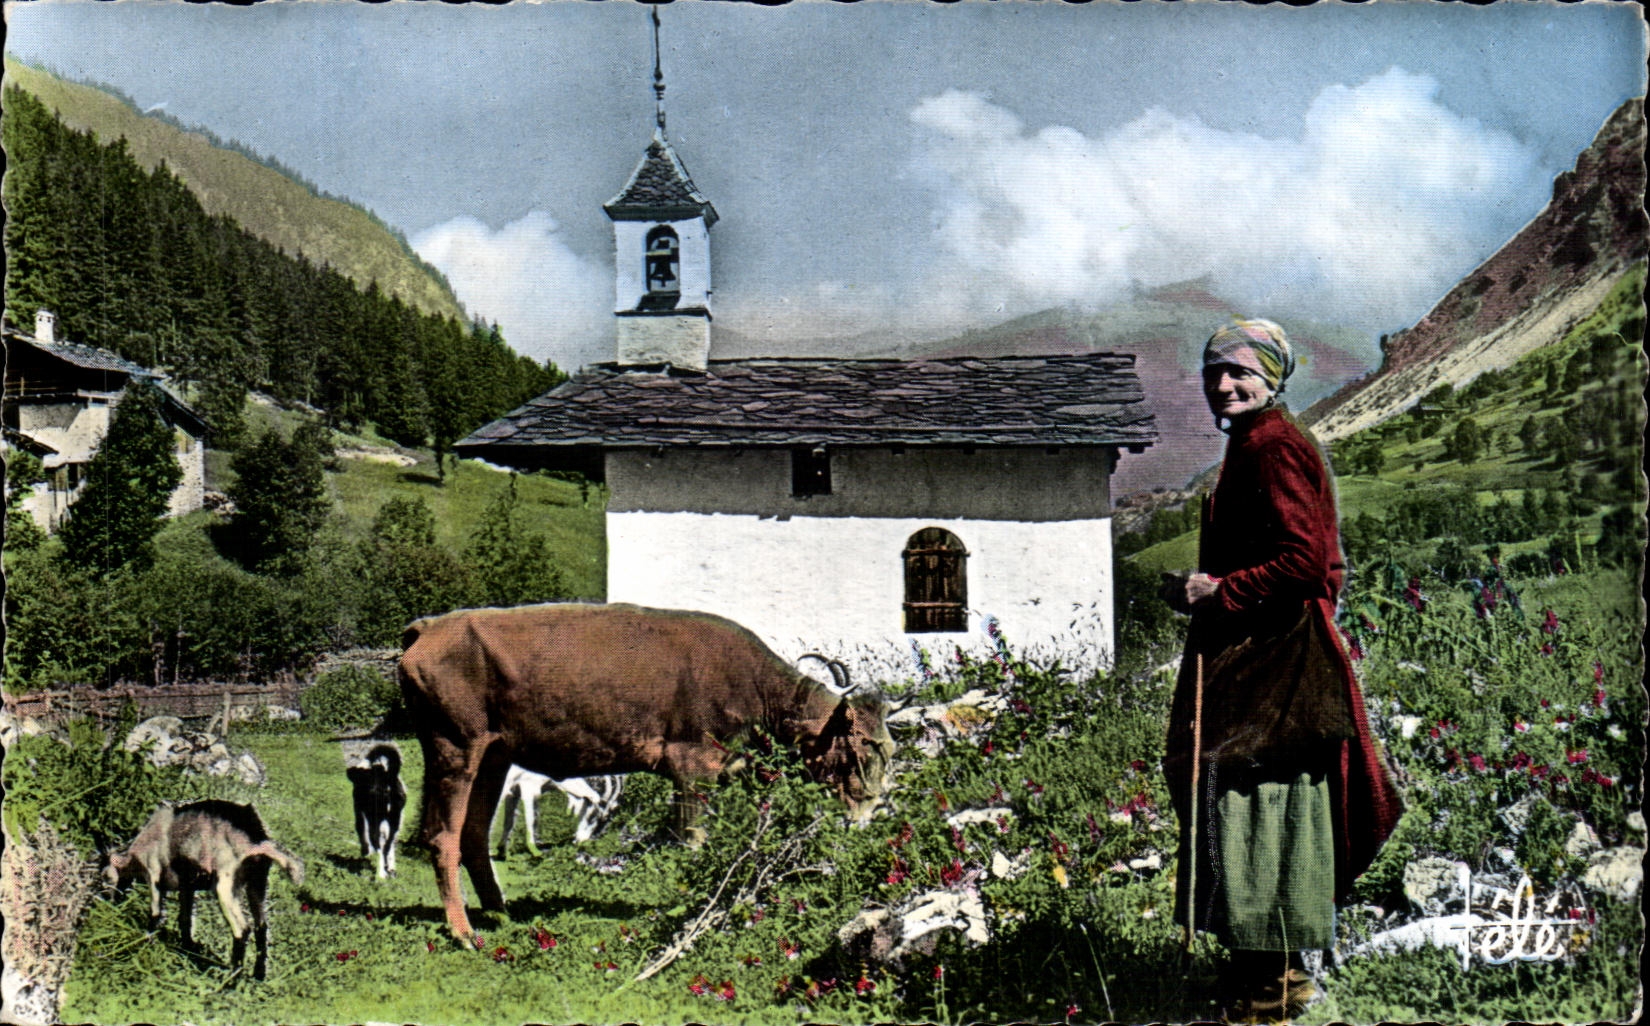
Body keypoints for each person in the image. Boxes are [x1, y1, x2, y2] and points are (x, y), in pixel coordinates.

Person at [1161, 319, 1401, 1022]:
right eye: (1214, 373)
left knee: (1263, 801)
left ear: (1272, 378)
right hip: (1259, 652)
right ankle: (1257, 971)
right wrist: (1207, 587)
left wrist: (1221, 592)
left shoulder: (1274, 448)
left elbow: (1305, 560)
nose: (1225, 385)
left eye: (1239, 372)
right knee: (1245, 800)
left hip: (1279, 659)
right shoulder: (1255, 445)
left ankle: (1277, 981)